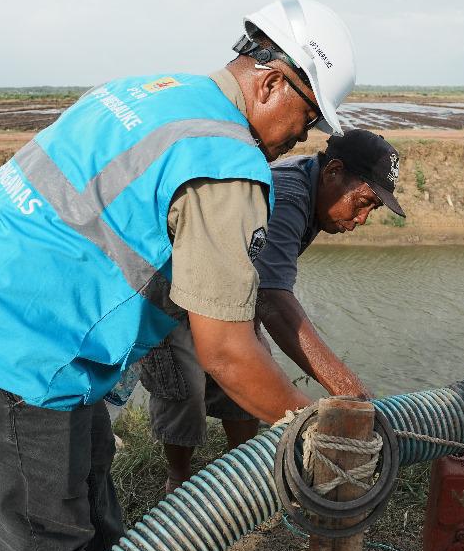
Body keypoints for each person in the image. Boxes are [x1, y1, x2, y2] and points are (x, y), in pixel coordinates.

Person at [0, 0, 358, 551]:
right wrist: (318, 435)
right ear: (272, 82)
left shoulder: (146, 91)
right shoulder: (226, 162)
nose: (306, 136)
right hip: (6, 351)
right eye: (309, 114)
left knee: (93, 493)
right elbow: (226, 351)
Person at [140, 128, 405, 490]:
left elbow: (260, 280)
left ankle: (243, 474)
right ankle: (178, 481)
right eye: (362, 203)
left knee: (249, 375)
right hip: (172, 287)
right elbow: (274, 299)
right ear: (333, 172)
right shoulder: (290, 195)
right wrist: (352, 396)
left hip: (225, 287)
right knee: (184, 388)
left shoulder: (316, 192)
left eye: (371, 210)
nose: (362, 219)